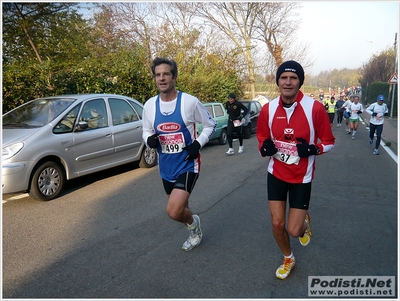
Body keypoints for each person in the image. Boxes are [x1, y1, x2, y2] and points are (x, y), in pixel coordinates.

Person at [256, 60, 335, 280]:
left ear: (300, 82)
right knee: (277, 223)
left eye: (293, 78)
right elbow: (262, 138)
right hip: (276, 173)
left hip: (302, 176)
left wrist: (312, 148)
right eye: (283, 78)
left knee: (293, 230)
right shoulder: (268, 109)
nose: (288, 82)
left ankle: (303, 223)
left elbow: (329, 141)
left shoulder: (315, 108)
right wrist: (265, 147)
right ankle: (288, 257)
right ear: (278, 81)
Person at [142, 57, 216, 251]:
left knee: (174, 211)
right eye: (158, 75)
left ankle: (195, 226)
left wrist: (197, 144)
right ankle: (193, 231)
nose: (162, 78)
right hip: (166, 166)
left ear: (174, 77)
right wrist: (149, 140)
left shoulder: (189, 102)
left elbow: (210, 124)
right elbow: (146, 130)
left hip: (187, 164)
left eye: (166, 74)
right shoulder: (150, 105)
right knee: (182, 207)